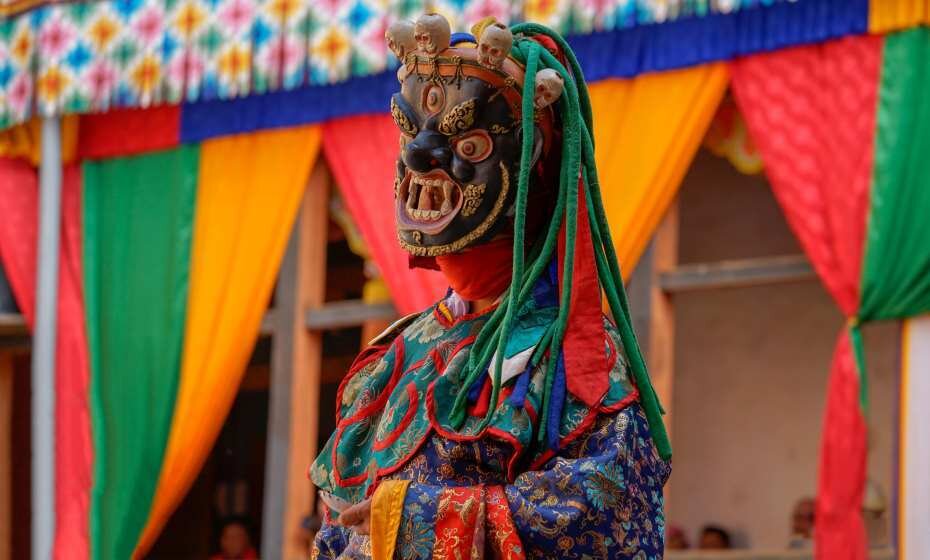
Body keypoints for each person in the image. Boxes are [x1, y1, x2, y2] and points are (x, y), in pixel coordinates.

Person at [310, 13, 671, 559]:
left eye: (470, 144)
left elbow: (610, 512)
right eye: (409, 132)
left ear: (530, 168)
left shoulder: (576, 359)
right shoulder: (398, 353)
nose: (418, 157)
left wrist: (416, 519)